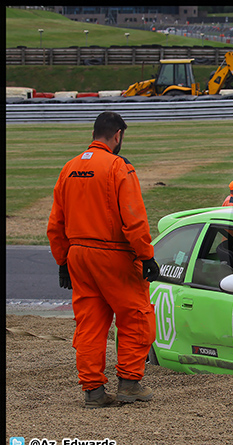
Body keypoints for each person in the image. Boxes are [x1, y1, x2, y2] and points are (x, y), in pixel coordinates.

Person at [47, 111, 159, 409]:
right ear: (118, 135)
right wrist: (146, 256)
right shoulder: (118, 167)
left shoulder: (69, 168)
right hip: (113, 255)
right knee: (136, 316)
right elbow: (134, 219)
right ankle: (130, 384)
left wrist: (62, 261)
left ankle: (93, 391)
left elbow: (55, 223)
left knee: (90, 324)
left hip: (78, 256)